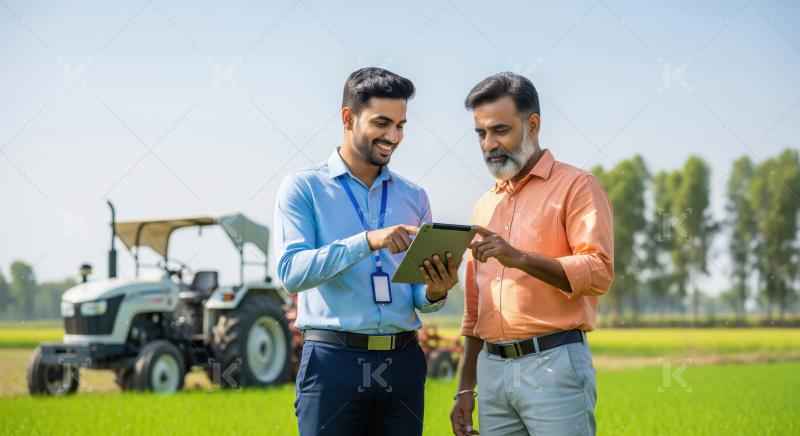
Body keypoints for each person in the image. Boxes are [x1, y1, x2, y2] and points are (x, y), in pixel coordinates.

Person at [275, 67, 460, 436]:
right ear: (348, 118)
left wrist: (437, 290)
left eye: (401, 125)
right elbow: (291, 272)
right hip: (332, 362)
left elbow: (418, 296)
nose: (393, 136)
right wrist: (368, 241)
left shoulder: (414, 196)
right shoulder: (303, 188)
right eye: (382, 123)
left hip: (403, 361)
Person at [450, 72, 614, 436]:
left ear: (533, 124)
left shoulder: (576, 187)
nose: (489, 143)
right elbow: (475, 308)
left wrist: (519, 258)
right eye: (481, 133)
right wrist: (466, 386)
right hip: (492, 371)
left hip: (553, 364)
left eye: (500, 130)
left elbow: (599, 271)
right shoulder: (484, 205)